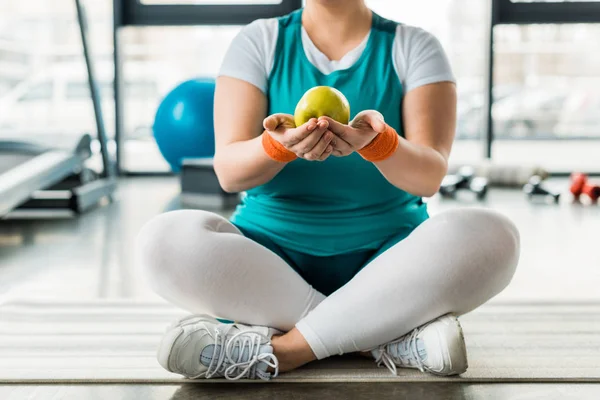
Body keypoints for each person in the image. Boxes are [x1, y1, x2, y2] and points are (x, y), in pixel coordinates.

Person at [135, 0, 520, 381]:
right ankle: (382, 336)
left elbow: (428, 177)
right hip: (268, 263)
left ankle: (283, 351)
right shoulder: (259, 41)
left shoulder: (415, 46)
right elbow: (230, 173)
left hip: (391, 264)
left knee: (497, 236)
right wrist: (279, 146)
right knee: (160, 241)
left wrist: (377, 143)